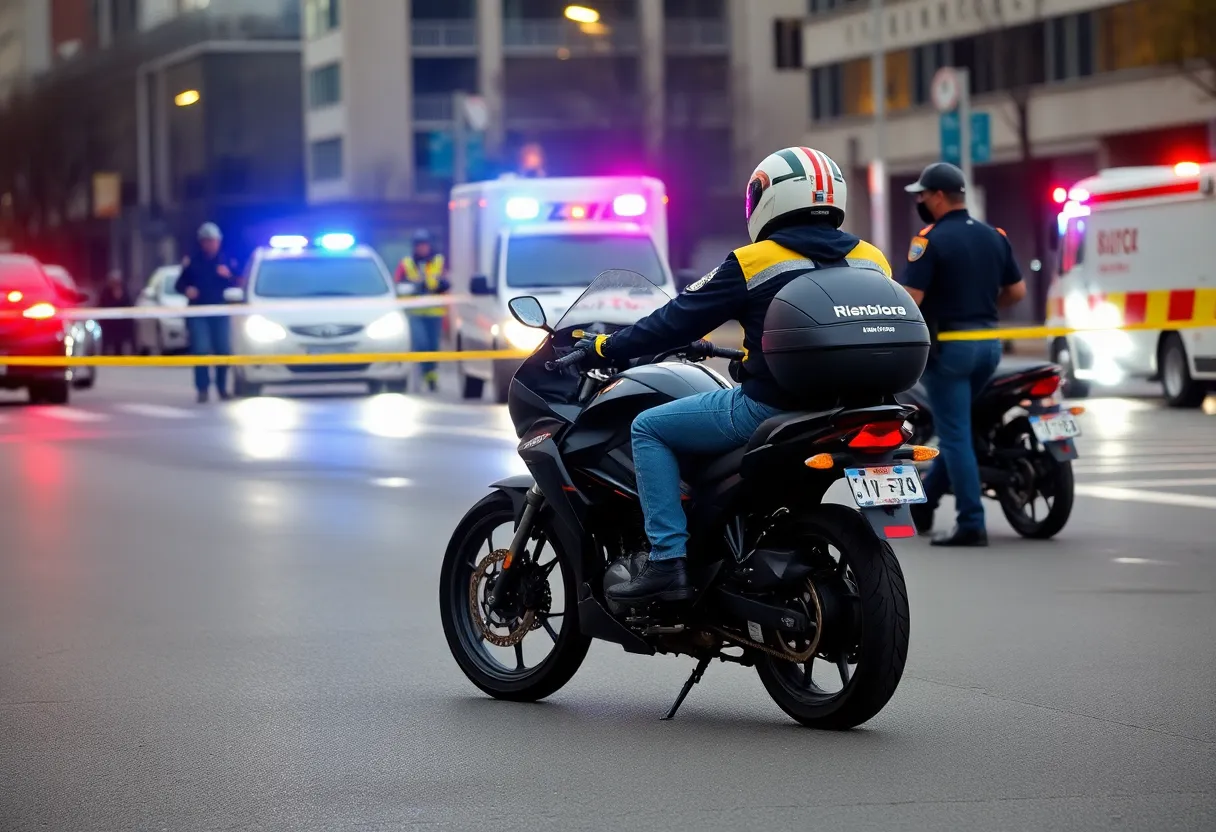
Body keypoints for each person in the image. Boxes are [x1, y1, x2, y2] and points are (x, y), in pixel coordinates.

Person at [581, 146, 893, 604]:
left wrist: (607, 346)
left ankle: (667, 562)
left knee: (648, 428)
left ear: (769, 198)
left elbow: (676, 320)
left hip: (773, 408)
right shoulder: (872, 257)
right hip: (858, 406)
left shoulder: (755, 260)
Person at [897, 162, 1027, 547]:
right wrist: (981, 307)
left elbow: (912, 298)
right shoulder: (994, 236)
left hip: (951, 349)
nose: (920, 201)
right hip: (989, 345)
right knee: (960, 429)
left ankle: (971, 522)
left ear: (938, 196)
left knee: (954, 436)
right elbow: (1016, 292)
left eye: (923, 195)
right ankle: (926, 501)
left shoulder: (929, 240)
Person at [176, 222, 240, 403]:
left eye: (214, 241)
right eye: (208, 241)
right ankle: (202, 389)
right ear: (202, 242)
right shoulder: (193, 262)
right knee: (201, 349)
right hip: (199, 312)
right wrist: (187, 289)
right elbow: (179, 284)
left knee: (223, 349)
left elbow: (238, 282)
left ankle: (222, 388)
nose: (212, 244)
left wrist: (228, 276)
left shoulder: (226, 260)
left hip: (219, 310)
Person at [395, 229, 450, 393]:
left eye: (424, 245)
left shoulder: (439, 261)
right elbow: (397, 285)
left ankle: (431, 375)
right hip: (415, 313)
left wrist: (440, 285)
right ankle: (423, 373)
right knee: (422, 344)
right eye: (419, 245)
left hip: (434, 313)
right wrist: (412, 287)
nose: (422, 248)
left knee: (433, 346)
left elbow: (446, 281)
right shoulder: (406, 264)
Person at [99, 269, 135, 356]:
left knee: (119, 344)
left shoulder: (124, 291)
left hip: (121, 324)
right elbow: (102, 305)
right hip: (109, 324)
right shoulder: (106, 292)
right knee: (107, 344)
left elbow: (128, 304)